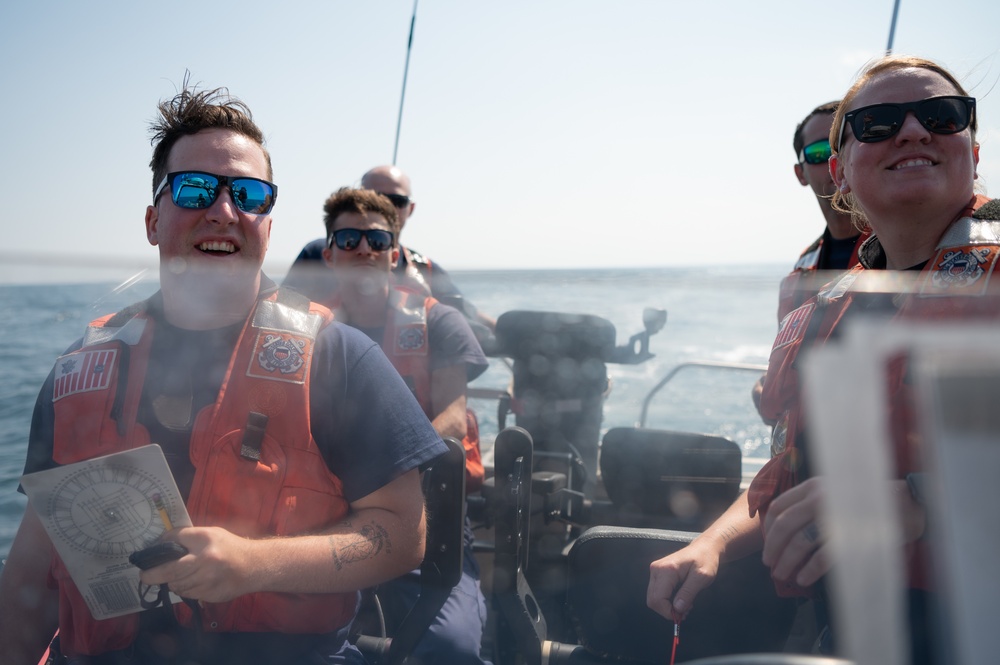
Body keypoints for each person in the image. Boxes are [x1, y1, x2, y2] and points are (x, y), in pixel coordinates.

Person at [0, 85, 447, 665]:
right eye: (193, 189)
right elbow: (31, 569)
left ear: (267, 223)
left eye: (249, 194)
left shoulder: (341, 359)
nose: (223, 210)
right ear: (152, 221)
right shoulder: (78, 372)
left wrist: (251, 565)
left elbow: (404, 534)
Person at [648, 55, 997, 665]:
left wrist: (917, 501)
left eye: (943, 116)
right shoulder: (823, 311)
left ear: (973, 149)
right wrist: (712, 543)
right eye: (879, 123)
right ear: (839, 170)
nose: (914, 131)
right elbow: (793, 474)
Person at [319, 187, 492, 665]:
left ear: (394, 254)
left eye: (376, 240)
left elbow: (452, 420)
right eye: (348, 238)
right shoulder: (302, 331)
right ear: (329, 254)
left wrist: (382, 478)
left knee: (449, 649)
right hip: (324, 514)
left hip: (426, 514)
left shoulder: (442, 323)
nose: (363, 249)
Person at [753, 101, 869, 424]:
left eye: (844, 144)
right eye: (819, 152)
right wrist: (765, 390)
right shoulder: (799, 275)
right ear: (800, 173)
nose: (835, 160)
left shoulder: (907, 252)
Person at [283, 165, 496, 338]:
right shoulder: (315, 254)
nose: (364, 251)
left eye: (396, 201)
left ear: (410, 209)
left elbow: (466, 315)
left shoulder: (424, 268)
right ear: (329, 257)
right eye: (373, 195)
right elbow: (281, 313)